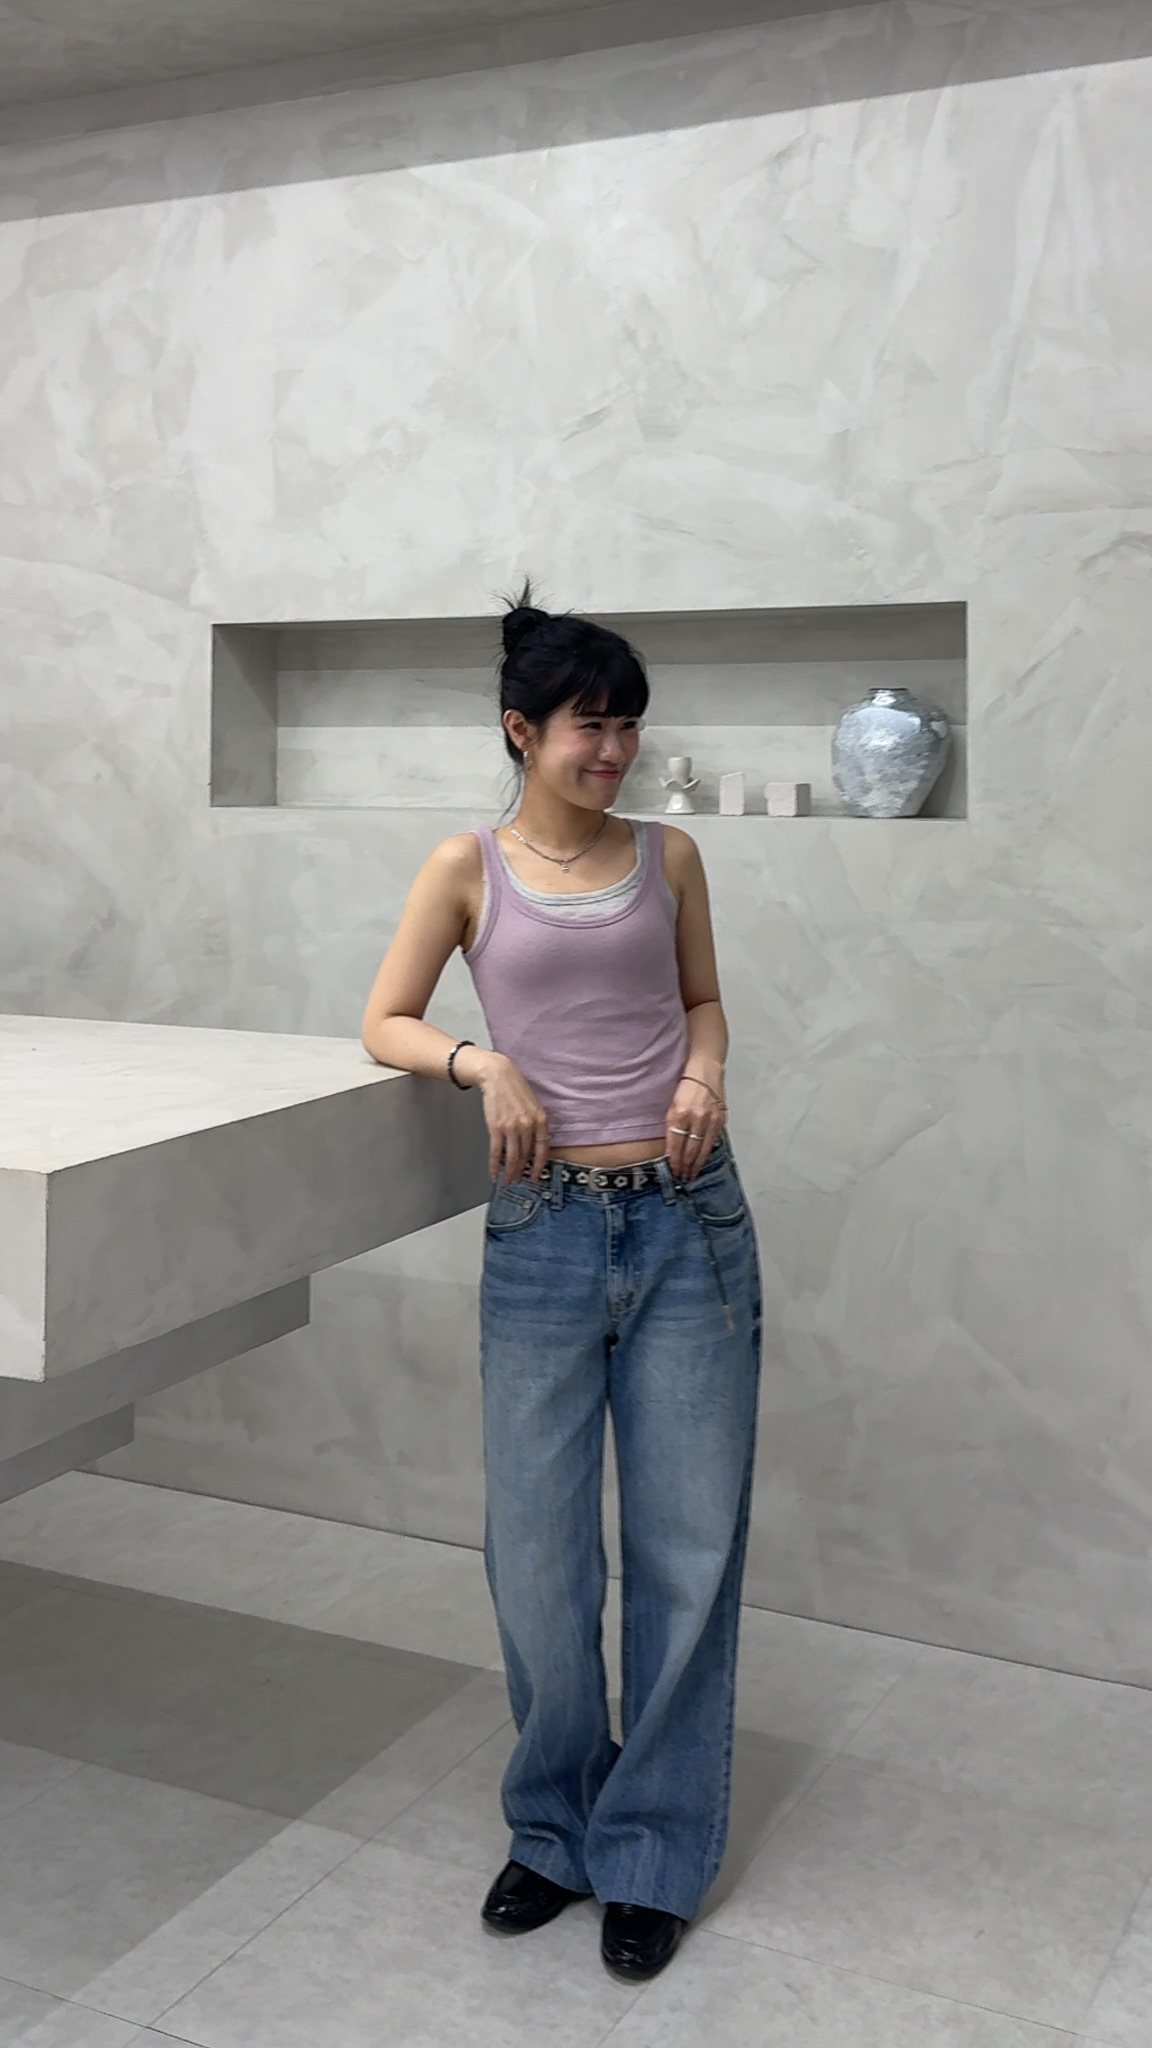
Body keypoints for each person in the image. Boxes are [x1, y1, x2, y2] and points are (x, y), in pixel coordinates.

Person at [361, 586, 763, 1982]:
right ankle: (553, 1829)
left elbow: (702, 1001)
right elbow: (386, 1020)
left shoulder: (671, 856)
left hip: (688, 1219)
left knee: (686, 1550)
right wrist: (483, 1063)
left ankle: (651, 1848)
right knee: (536, 1557)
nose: (617, 749)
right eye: (592, 724)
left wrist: (705, 1072)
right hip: (543, 1228)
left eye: (629, 724)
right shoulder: (465, 867)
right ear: (522, 730)